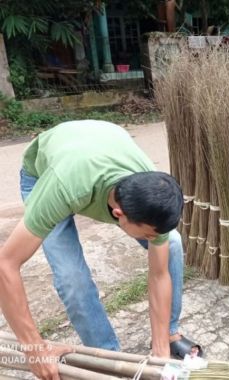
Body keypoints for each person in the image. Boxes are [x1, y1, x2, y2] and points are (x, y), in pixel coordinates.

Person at [0, 120, 200, 380]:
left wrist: (159, 354)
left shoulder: (152, 190)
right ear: (119, 216)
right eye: (150, 234)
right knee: (72, 278)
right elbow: (6, 265)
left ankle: (168, 334)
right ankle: (106, 357)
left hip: (94, 146)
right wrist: (34, 348)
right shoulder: (62, 188)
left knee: (170, 243)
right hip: (46, 174)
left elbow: (160, 274)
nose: (154, 238)